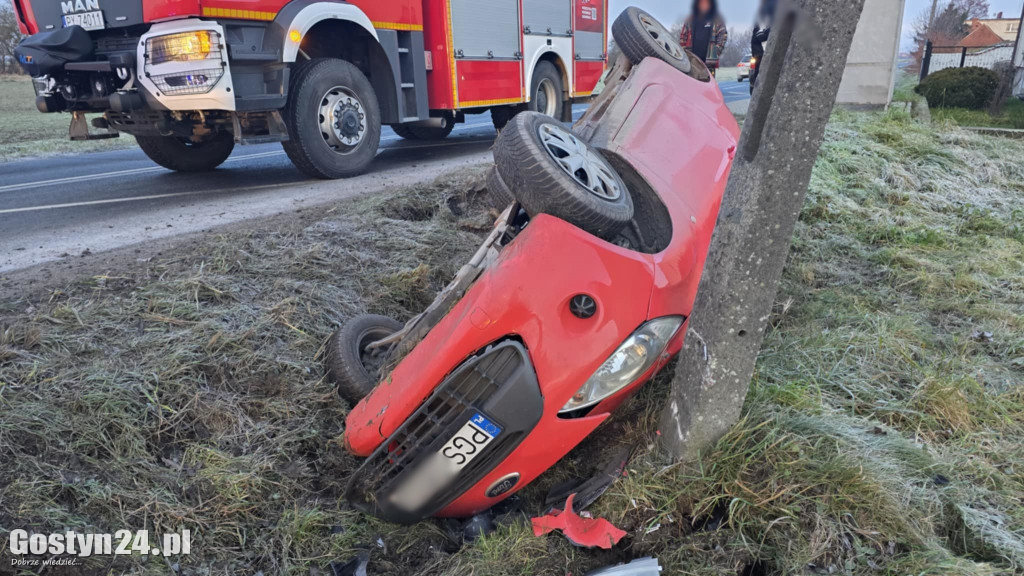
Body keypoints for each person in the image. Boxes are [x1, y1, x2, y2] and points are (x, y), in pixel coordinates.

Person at [680, 0, 728, 76]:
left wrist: (716, 52)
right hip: (692, 62)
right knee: (692, 85)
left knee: (708, 86)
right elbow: (683, 37)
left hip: (709, 63)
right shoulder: (690, 19)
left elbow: (723, 35)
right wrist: (685, 53)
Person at [749, 0, 777, 93]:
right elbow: (760, 35)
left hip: (761, 55)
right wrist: (773, 29)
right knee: (760, 81)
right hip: (760, 55)